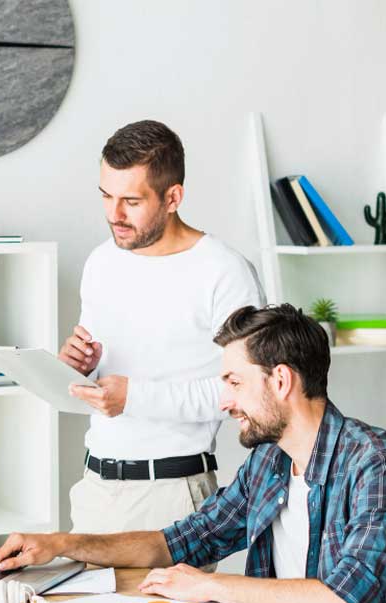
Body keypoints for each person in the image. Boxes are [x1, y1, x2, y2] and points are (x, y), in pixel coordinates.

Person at [0, 304, 386, 603]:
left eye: (234, 381)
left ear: (281, 381)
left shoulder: (380, 466)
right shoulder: (270, 461)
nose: (225, 401)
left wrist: (210, 586)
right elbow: (179, 542)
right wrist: (61, 545)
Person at [61, 120, 264, 535]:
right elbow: (103, 374)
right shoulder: (102, 261)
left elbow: (243, 391)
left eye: (131, 201)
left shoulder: (224, 272)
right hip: (95, 490)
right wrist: (79, 365)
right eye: (106, 196)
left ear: (173, 197)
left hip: (173, 495)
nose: (114, 215)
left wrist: (134, 397)